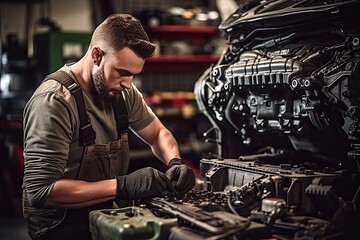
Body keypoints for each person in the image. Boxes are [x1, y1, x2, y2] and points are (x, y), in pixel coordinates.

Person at [22, 13, 195, 240]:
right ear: (96, 55)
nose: (128, 84)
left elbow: (158, 133)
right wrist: (122, 186)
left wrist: (174, 161)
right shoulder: (54, 102)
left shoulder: (123, 93)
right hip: (59, 226)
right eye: (122, 73)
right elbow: (41, 191)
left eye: (133, 75)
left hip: (103, 214)